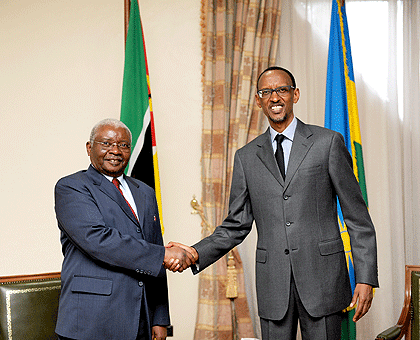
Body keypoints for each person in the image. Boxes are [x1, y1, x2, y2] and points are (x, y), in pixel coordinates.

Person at [167, 67, 379, 340]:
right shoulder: (246, 157)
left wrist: (365, 277)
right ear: (258, 100)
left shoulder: (327, 143)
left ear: (295, 94)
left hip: (323, 281)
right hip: (273, 286)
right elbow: (236, 225)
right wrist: (195, 253)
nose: (274, 97)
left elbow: (357, 218)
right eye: (266, 92)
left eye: (281, 90)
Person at [54, 118, 193, 340]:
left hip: (140, 318)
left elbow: (154, 248)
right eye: (106, 144)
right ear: (90, 148)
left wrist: (159, 317)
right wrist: (165, 254)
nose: (115, 151)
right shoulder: (72, 187)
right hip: (91, 320)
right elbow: (98, 240)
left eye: (124, 145)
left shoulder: (145, 192)